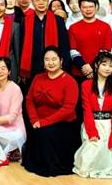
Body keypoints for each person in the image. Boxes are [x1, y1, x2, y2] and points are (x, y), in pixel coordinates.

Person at [22, 46, 80, 177]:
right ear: (43, 62)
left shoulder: (70, 81)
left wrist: (44, 122)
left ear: (61, 61)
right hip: (39, 122)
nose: (50, 62)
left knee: (45, 133)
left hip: (63, 124)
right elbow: (29, 100)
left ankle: (51, 166)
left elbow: (68, 109)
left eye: (54, 59)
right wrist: (35, 120)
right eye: (47, 59)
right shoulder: (38, 78)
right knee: (36, 131)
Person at [73, 51, 112, 179]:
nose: (107, 68)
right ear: (96, 65)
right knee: (88, 161)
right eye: (104, 64)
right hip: (93, 123)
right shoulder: (86, 85)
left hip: (111, 125)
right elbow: (87, 111)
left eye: (111, 65)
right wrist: (92, 132)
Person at [18, 0, 71, 90]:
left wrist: (64, 65)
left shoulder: (58, 20)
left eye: (44, 0)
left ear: (48, 2)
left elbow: (64, 45)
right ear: (32, 2)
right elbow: (21, 45)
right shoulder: (25, 20)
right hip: (32, 65)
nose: (41, 3)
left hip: (53, 64)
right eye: (37, 0)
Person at [69, 0, 112, 84]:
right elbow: (73, 50)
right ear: (80, 8)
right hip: (79, 72)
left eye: (91, 6)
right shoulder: (73, 27)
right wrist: (84, 66)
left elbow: (106, 49)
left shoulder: (105, 26)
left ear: (96, 7)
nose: (88, 9)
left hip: (100, 72)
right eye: (84, 7)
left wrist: (93, 67)